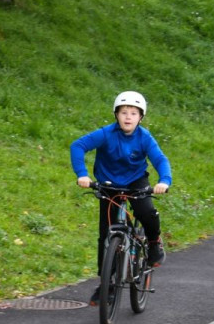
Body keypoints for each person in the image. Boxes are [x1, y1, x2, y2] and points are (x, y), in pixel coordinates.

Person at [70, 90, 171, 306]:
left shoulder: (144, 137)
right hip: (109, 185)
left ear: (140, 117)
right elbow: (78, 146)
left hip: (136, 182)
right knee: (105, 236)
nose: (128, 117)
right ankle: (106, 283)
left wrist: (164, 181)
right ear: (116, 115)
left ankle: (154, 243)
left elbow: (160, 159)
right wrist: (82, 174)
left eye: (133, 113)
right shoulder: (106, 134)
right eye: (124, 112)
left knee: (147, 213)